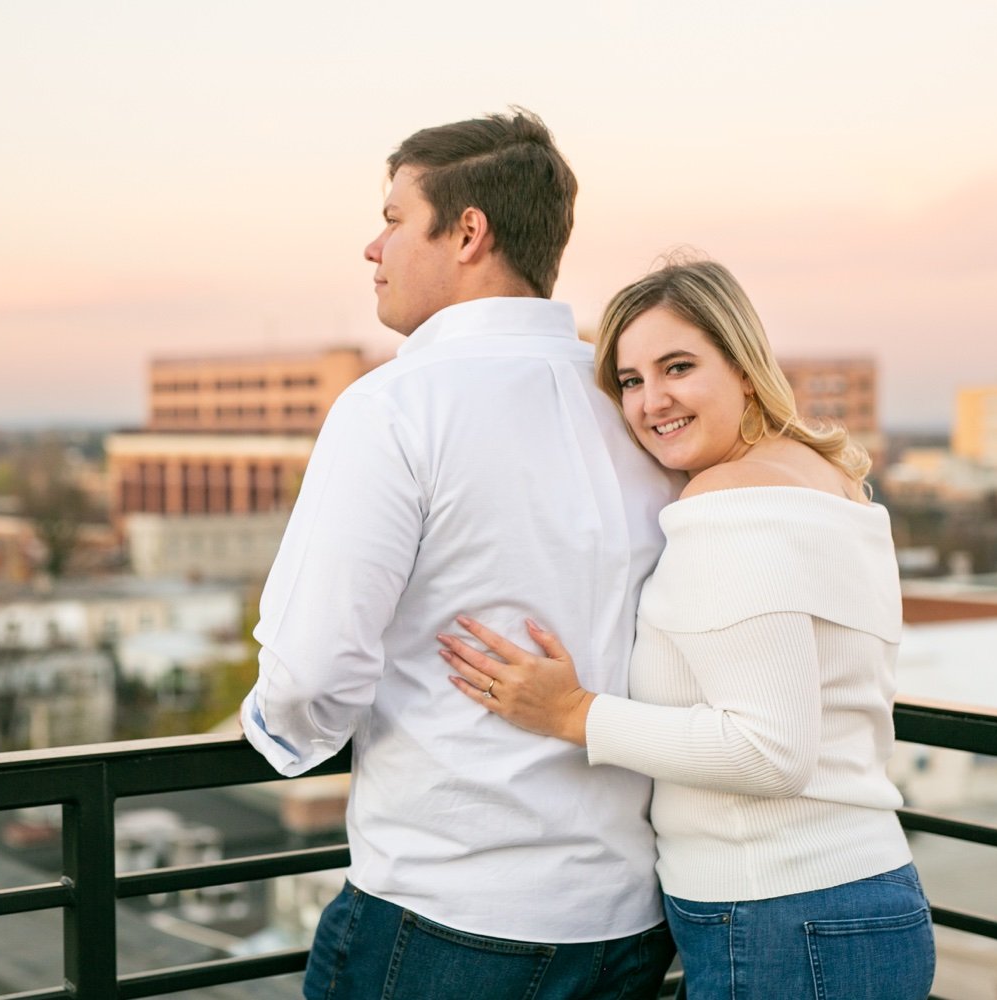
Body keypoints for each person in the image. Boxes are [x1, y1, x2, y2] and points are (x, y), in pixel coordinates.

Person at [239, 109, 682, 1000]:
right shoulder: (636, 406)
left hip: (448, 920)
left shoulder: (395, 407)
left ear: (468, 232)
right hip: (629, 921)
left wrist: (281, 736)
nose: (373, 247)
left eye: (396, 218)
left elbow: (310, 672)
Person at [439, 260, 936, 1000]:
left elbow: (770, 752)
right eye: (631, 381)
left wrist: (573, 713)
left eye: (678, 367)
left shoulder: (731, 503)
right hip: (849, 905)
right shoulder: (823, 480)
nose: (651, 401)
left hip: (783, 919)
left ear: (742, 367)